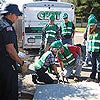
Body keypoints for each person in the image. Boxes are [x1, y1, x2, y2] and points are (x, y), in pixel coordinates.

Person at [0, 4, 28, 100]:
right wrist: (22, 63)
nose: (17, 17)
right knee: (10, 91)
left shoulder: (1, 24)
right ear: (10, 14)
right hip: (7, 65)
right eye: (16, 15)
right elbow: (10, 50)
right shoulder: (8, 28)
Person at [86, 17, 100, 83]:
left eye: (92, 25)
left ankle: (99, 79)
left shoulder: (99, 31)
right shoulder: (89, 32)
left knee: (99, 66)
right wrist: (89, 50)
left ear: (95, 24)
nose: (91, 27)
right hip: (92, 51)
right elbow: (89, 42)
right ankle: (92, 77)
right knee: (93, 65)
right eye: (90, 25)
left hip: (98, 52)